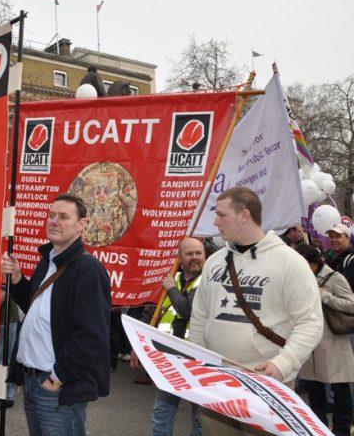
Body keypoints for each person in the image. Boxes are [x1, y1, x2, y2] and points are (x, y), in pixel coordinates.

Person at [189, 187, 322, 435]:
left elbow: (310, 322)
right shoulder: (215, 262)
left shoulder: (290, 262)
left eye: (221, 215)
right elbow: (199, 317)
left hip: (267, 386)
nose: (215, 222)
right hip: (216, 383)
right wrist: (197, 365)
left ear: (244, 215)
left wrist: (283, 364)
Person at [1, 193, 111, 436]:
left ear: (81, 225)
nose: (54, 221)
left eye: (63, 217)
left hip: (57, 387)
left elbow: (92, 337)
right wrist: (18, 279)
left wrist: (57, 379)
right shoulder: (48, 261)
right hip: (33, 382)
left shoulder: (88, 271)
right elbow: (36, 307)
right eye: (51, 215)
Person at [131, 237, 205, 436]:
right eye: (189, 254)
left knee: (199, 420)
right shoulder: (173, 279)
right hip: (169, 362)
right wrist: (138, 347)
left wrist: (171, 288)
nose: (195, 257)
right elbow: (149, 316)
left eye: (199, 253)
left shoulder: (206, 283)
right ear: (180, 257)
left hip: (197, 362)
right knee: (162, 414)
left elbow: (187, 310)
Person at [295, 243, 354, 436]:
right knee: (314, 390)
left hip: (332, 342)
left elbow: (351, 304)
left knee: (340, 387)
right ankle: (319, 429)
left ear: (313, 264)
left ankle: (342, 430)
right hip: (309, 343)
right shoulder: (299, 279)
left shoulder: (334, 278)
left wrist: (325, 296)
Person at [324, 223, 354, 291]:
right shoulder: (326, 257)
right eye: (331, 236)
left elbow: (342, 285)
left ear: (348, 238)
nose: (334, 240)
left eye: (338, 236)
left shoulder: (351, 259)